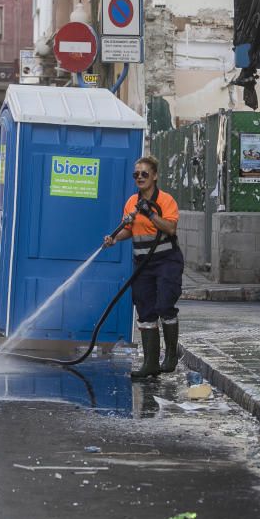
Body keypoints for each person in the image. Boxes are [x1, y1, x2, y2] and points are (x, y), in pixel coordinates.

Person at [103, 156, 184, 378]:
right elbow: (129, 229)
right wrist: (114, 238)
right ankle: (150, 363)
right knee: (145, 310)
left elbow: (170, 228)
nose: (139, 177)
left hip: (167, 261)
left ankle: (170, 357)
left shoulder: (166, 201)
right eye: (136, 174)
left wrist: (149, 213)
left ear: (155, 176)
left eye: (144, 174)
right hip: (143, 264)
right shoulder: (131, 202)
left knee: (165, 304)